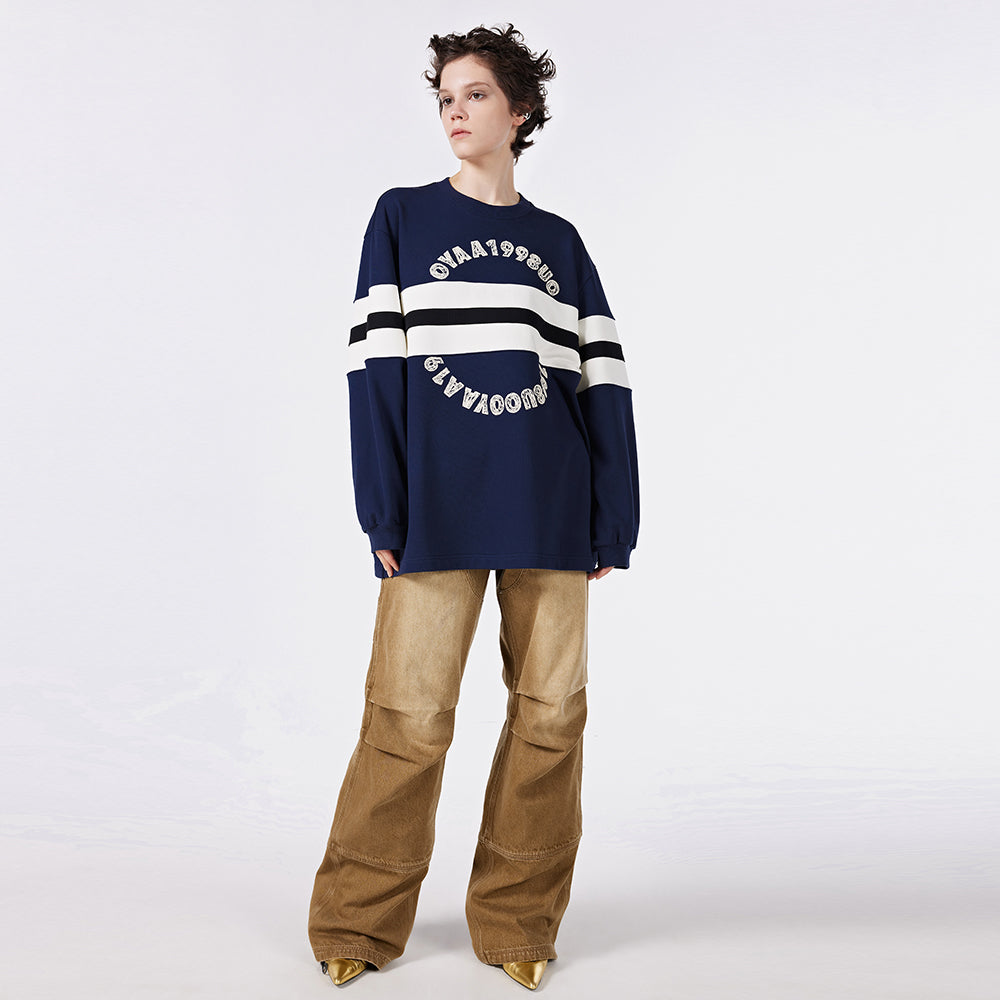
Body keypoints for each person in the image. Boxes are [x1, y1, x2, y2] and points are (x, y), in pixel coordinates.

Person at [307, 23, 639, 991]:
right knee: (407, 720)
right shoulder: (402, 217)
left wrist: (613, 517)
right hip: (436, 513)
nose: (454, 111)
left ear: (519, 110)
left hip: (551, 508)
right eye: (445, 98)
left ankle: (519, 921)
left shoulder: (559, 243)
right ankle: (357, 922)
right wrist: (384, 510)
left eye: (475, 95)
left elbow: (603, 387)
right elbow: (374, 371)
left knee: (550, 720)